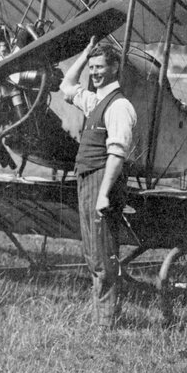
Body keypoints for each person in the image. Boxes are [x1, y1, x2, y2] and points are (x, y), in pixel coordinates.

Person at [60, 38, 138, 327]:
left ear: (115, 67)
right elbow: (67, 87)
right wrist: (85, 52)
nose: (94, 72)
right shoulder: (95, 101)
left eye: (100, 66)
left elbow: (117, 154)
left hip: (101, 182)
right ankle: (101, 318)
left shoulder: (119, 106)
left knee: (102, 256)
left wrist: (104, 194)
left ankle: (105, 325)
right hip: (88, 180)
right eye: (92, 67)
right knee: (93, 252)